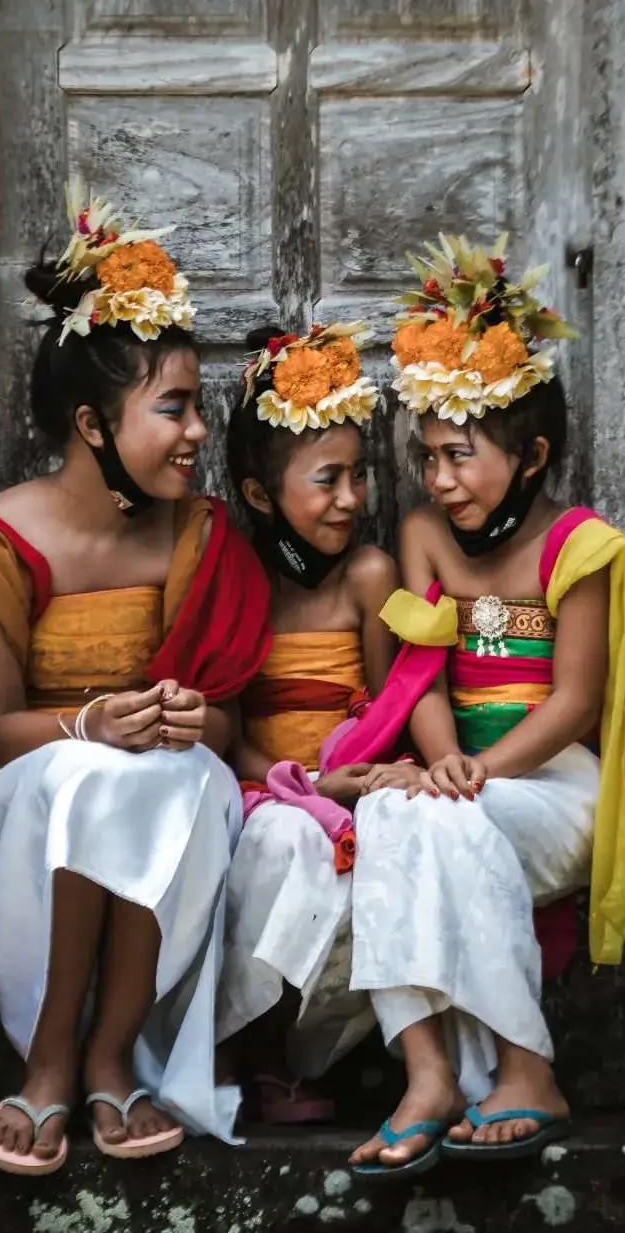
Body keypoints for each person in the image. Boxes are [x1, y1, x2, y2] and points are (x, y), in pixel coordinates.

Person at [0, 181, 271, 1175]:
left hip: (161, 784)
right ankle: (51, 1055)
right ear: (95, 425)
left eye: (197, 408)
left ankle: (109, 1051)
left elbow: (226, 728)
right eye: (173, 409)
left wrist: (193, 716)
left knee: (161, 774)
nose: (197, 433)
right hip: (27, 789)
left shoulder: (201, 536)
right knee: (90, 774)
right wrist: (94, 720)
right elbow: (1, 724)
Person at [341, 235, 625, 1176]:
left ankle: (530, 1068)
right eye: (429, 455)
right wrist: (444, 759)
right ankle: (429, 1074)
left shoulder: (582, 547)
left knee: (456, 820)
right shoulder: (423, 535)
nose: (440, 478)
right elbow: (423, 677)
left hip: (556, 782)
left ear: (530, 455)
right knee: (393, 809)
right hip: (473, 772)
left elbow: (573, 705)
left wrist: (481, 770)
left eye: (460, 455)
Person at [215, 324, 398, 1122]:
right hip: (264, 792)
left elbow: (392, 703)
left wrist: (359, 780)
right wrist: (301, 787)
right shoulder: (239, 575)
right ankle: (257, 1049)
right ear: (260, 495)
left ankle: (318, 1051)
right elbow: (229, 723)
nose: (351, 498)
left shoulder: (369, 574)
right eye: (327, 479)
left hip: (353, 788)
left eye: (359, 475)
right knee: (284, 844)